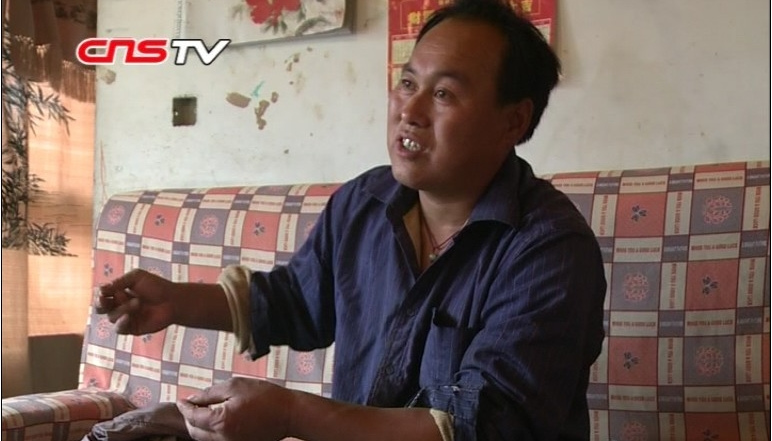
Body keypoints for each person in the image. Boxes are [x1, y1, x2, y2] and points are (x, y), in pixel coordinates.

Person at [97, 0, 606, 440]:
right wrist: (176, 301)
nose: (410, 111)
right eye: (407, 83)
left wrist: (291, 413)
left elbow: (482, 428)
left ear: (514, 121)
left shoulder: (551, 249)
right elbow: (297, 300)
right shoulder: (365, 201)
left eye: (444, 94)